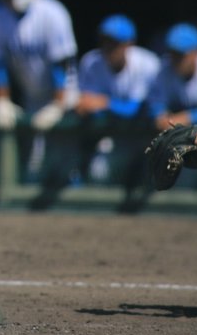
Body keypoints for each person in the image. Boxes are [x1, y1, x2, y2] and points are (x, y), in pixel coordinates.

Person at [30, 14, 160, 211]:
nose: (109, 48)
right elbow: (86, 104)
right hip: (110, 137)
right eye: (105, 41)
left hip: (143, 137)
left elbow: (140, 109)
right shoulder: (91, 61)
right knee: (99, 172)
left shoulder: (147, 64)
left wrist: (105, 103)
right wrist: (89, 106)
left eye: (115, 43)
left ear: (129, 44)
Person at [0, 0, 78, 180]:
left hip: (65, 95)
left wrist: (57, 104)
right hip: (32, 96)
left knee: (69, 158)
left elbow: (61, 64)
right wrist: (1, 99)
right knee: (35, 163)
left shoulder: (52, 12)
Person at [151, 23, 197, 132]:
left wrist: (189, 117)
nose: (176, 60)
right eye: (173, 54)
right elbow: (156, 103)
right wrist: (161, 116)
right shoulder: (164, 69)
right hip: (181, 128)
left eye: (181, 55)